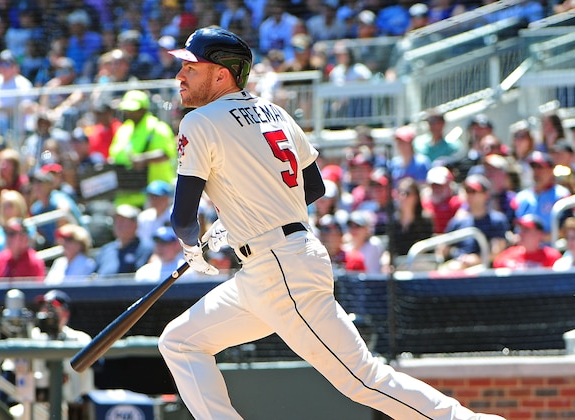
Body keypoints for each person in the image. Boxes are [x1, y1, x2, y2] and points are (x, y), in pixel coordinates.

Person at [161, 26, 504, 420]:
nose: (180, 76)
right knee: (180, 341)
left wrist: (193, 246)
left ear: (221, 74)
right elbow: (313, 186)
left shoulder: (199, 121)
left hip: (278, 268)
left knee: (362, 379)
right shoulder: (275, 111)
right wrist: (242, 217)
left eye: (191, 66)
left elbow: (183, 217)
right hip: (271, 263)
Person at [108, 90, 177, 208]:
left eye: (134, 110)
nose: (130, 113)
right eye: (127, 110)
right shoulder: (123, 129)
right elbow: (114, 153)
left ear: (144, 109)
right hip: (125, 196)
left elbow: (167, 153)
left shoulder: (158, 128)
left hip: (154, 197)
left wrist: (143, 159)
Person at [30, 289, 95, 412]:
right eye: (44, 307)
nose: (47, 312)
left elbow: (97, 365)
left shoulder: (79, 339)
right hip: (37, 409)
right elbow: (10, 373)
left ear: (65, 314)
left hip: (74, 409)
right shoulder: (31, 337)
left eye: (53, 308)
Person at [442, 174, 510, 271]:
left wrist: (477, 260)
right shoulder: (458, 221)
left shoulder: (497, 220)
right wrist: (460, 258)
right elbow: (443, 250)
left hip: (485, 272)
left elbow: (497, 253)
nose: (469, 195)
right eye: (467, 191)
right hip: (457, 268)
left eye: (473, 191)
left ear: (485, 195)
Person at [0, 217, 46, 285]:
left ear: (24, 237)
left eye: (12, 233)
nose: (8, 237)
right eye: (6, 233)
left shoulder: (35, 262)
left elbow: (38, 292)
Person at [94, 204, 152, 277]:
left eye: (123, 221)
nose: (118, 225)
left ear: (135, 224)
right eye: (116, 220)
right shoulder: (106, 249)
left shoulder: (145, 249)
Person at [492, 214, 561, 270]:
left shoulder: (552, 257)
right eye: (520, 229)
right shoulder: (507, 255)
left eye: (526, 230)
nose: (521, 233)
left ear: (539, 234)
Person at [137, 180, 174, 250]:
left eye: (156, 197)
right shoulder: (144, 216)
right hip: (147, 254)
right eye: (150, 196)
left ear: (166, 198)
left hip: (171, 256)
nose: (153, 200)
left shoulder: (175, 216)